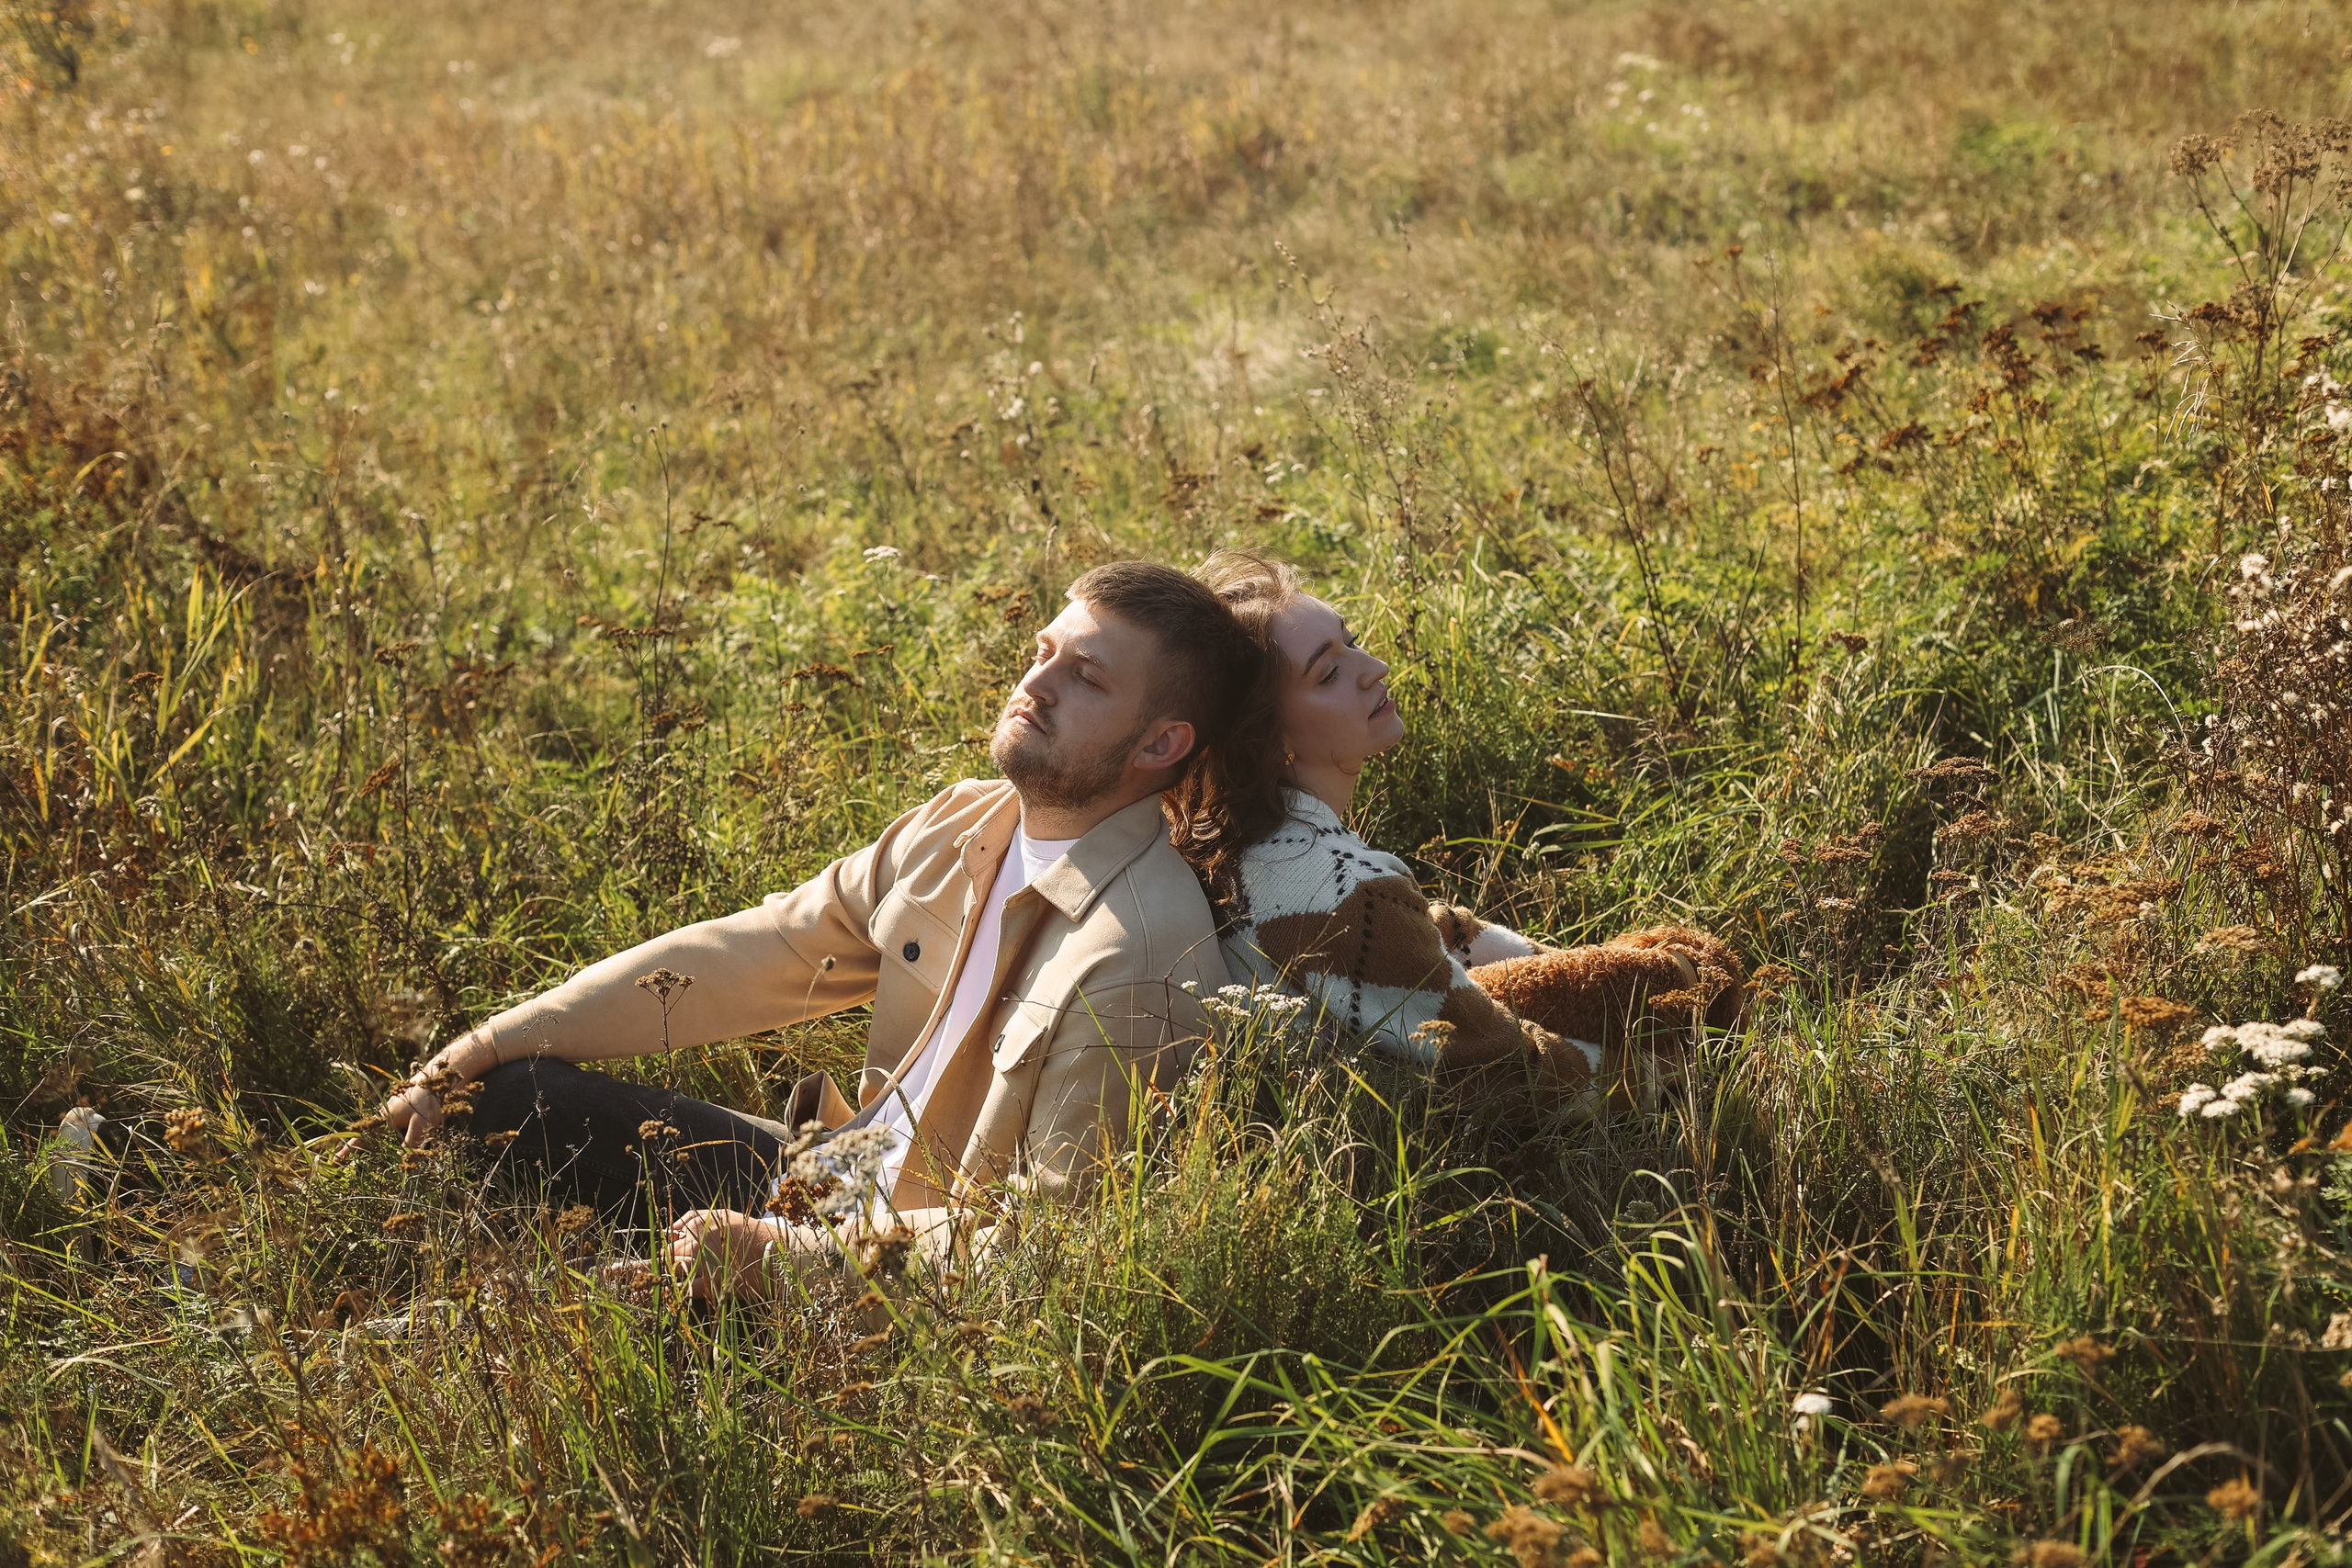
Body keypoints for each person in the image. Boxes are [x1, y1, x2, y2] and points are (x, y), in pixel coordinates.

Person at [380, 562, 1251, 1299]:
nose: (1036, 683)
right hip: (832, 1178)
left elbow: (1056, 1251)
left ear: (1160, 742)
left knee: (543, 1323)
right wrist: (475, 1049)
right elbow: (749, 955)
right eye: (1043, 652)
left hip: (891, 1282)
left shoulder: (1139, 952)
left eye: (1086, 678)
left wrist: (786, 1259)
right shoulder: (964, 824)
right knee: (498, 1100)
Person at [1175, 551, 1743, 1114]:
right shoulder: (1347, 890)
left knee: (1524, 952)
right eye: (1329, 672)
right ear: (1266, 737)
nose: (1373, 666)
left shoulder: (1233, 840)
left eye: (1351, 642)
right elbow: (1507, 1069)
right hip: (1400, 1144)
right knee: (1683, 987)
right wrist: (1673, 1076)